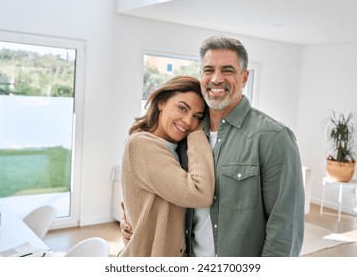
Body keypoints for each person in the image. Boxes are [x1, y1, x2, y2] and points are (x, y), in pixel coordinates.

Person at [121, 36, 305, 257]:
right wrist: (134, 223)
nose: (216, 79)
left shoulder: (273, 138)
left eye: (227, 70)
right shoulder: (185, 136)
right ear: (202, 76)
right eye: (209, 70)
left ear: (244, 77)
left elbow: (285, 230)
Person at [117, 75, 215, 257]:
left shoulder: (175, 148)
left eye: (197, 117)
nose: (188, 121)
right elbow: (200, 193)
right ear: (161, 102)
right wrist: (197, 133)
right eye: (182, 108)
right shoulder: (142, 144)